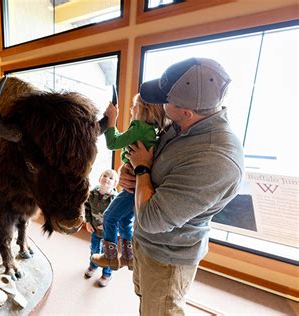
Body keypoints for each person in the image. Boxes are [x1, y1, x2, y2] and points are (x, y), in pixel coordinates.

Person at [122, 57, 244, 315]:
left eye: (166, 99)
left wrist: (142, 168)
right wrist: (134, 175)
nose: (161, 104)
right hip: (147, 244)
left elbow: (152, 219)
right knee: (145, 301)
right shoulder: (181, 126)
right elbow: (157, 178)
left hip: (168, 257)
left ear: (187, 112)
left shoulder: (215, 160)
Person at [91, 94, 169, 272]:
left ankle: (109, 257)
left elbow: (113, 143)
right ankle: (128, 257)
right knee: (126, 220)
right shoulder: (153, 130)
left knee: (109, 217)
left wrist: (112, 119)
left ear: (143, 109)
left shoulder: (139, 127)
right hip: (138, 186)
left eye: (134, 106)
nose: (131, 109)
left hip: (132, 188)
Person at [83, 169, 118, 287]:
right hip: (95, 230)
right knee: (94, 249)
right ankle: (93, 265)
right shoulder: (92, 194)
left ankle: (107, 274)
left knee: (107, 253)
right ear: (99, 178)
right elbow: (87, 207)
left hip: (108, 233)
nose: (107, 178)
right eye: (105, 175)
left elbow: (118, 217)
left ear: (114, 184)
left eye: (111, 178)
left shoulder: (114, 198)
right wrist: (88, 222)